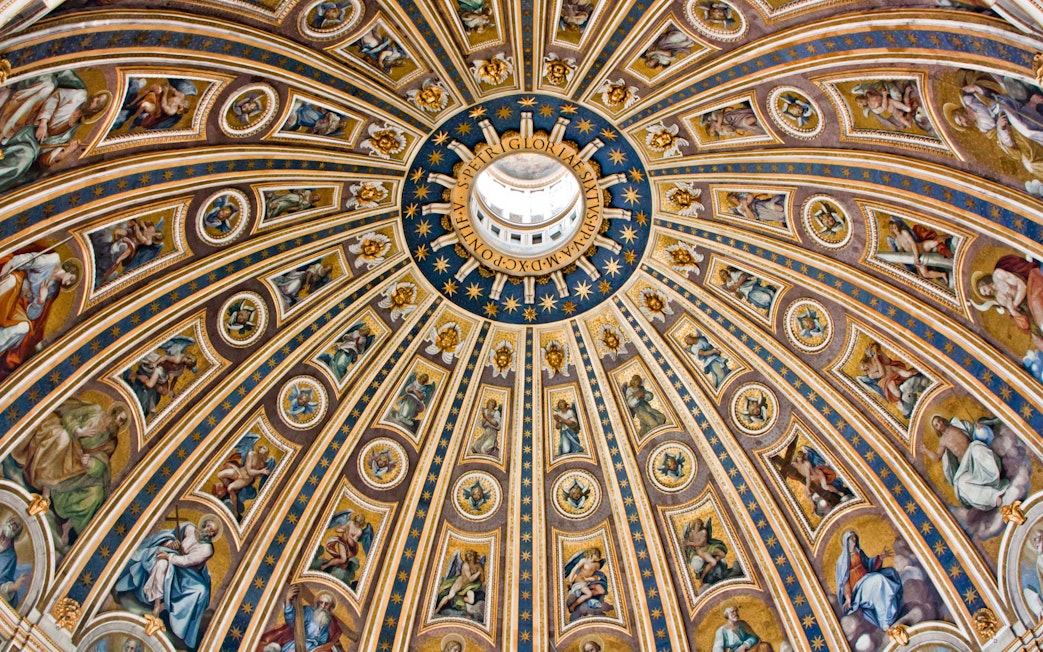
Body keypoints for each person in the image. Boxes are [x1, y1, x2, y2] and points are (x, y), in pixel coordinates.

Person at [11, 397, 127, 543]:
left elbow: (102, 460)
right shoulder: (95, 411)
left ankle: (70, 527)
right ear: (113, 413)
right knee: (61, 439)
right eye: (119, 418)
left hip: (80, 462)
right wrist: (79, 431)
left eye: (122, 422)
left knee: (96, 493)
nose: (118, 423)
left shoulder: (111, 440)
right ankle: (45, 492)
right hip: (71, 440)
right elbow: (69, 416)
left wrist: (91, 464)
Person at [115, 516, 220, 649]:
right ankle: (156, 605)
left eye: (212, 531)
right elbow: (169, 535)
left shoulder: (207, 549)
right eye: (207, 526)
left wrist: (169, 556)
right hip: (172, 560)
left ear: (213, 535)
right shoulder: (189, 528)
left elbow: (187, 561)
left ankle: (179, 625)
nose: (207, 530)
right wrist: (170, 543)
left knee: (200, 590)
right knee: (161, 563)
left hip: (188, 574)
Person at [0, 70, 109, 192]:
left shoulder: (73, 129)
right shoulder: (79, 95)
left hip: (31, 142)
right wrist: (43, 122)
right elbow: (56, 96)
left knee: (21, 163)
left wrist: (66, 152)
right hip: (35, 118)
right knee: (46, 88)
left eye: (97, 103)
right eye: (96, 97)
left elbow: (45, 155)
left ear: (95, 110)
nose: (93, 100)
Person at [0, 248, 78, 377]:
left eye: (70, 283)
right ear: (70, 270)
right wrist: (10, 264)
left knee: (23, 328)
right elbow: (28, 260)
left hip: (17, 306)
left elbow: (32, 315)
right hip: (13, 288)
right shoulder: (53, 261)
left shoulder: (52, 289)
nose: (68, 283)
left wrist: (41, 300)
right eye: (71, 278)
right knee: (12, 282)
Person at [922, 414, 1009, 510]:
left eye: (939, 421)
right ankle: (992, 497)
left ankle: (995, 481)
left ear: (943, 419)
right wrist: (926, 451)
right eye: (936, 425)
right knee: (961, 483)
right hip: (964, 464)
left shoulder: (958, 425)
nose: (939, 424)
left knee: (979, 450)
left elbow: (973, 429)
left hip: (972, 449)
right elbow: (937, 457)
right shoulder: (943, 441)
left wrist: (978, 428)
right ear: (936, 429)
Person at [834, 530, 903, 629]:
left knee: (886, 579)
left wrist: (881, 558)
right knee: (878, 579)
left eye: (854, 537)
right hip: (858, 588)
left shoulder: (859, 553)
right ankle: (884, 620)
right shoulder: (842, 560)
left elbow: (869, 566)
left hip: (868, 579)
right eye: (851, 538)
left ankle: (887, 618)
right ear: (846, 541)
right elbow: (844, 582)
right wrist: (848, 597)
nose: (854, 539)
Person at [975, 254, 1043, 351]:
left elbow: (1022, 286)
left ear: (985, 282)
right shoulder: (999, 299)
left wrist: (1013, 305)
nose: (987, 293)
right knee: (1036, 338)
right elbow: (1016, 312)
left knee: (1039, 313)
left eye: (984, 290)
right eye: (984, 294)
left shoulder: (998, 275)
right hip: (1026, 309)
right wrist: (1012, 309)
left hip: (1030, 289)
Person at [259, 586, 345, 652]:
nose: (323, 606)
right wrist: (288, 600)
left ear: (330, 606)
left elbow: (334, 638)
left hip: (320, 649)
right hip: (301, 644)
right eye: (321, 602)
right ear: (318, 603)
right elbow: (292, 620)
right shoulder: (308, 611)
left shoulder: (331, 621)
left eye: (326, 604)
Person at [434, 550, 485, 618]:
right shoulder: (465, 565)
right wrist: (478, 572)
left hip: (470, 586)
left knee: (471, 601)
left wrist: (481, 571)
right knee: (450, 596)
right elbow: (470, 579)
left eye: (471, 556)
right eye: (468, 556)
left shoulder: (479, 565)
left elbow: (482, 580)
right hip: (460, 583)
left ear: (474, 555)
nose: (469, 558)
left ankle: (459, 597)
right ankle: (437, 609)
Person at [0, 517, 28, 607]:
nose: (11, 525)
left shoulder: (11, 556)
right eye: (11, 522)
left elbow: (3, 581)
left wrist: (14, 586)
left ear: (17, 533)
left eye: (15, 525)